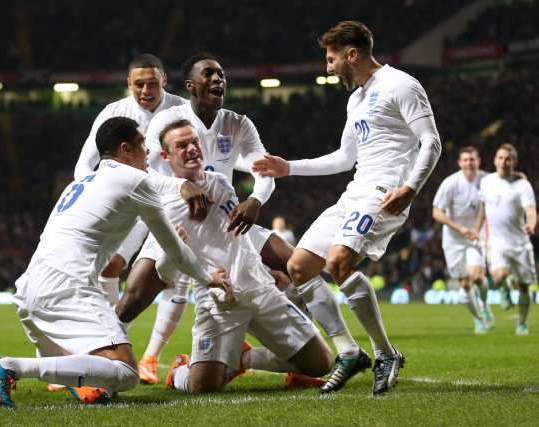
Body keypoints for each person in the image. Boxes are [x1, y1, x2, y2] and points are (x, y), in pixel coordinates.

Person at [118, 52, 364, 391]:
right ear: (190, 85)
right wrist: (181, 185)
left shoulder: (236, 129)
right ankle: (107, 357)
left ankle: (305, 348)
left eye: (221, 73)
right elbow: (142, 173)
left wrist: (255, 200)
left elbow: (262, 169)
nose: (218, 79)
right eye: (209, 74)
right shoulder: (167, 121)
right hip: (171, 215)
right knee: (135, 294)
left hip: (228, 219)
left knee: (296, 263)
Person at [0, 117, 228, 408]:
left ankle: (85, 385)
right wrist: (209, 278)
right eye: (143, 144)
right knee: (126, 373)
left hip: (29, 290)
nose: (147, 151)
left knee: (91, 373)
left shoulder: (81, 182)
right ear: (126, 148)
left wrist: (179, 186)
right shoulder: (136, 181)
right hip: (68, 287)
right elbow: (175, 250)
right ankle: (8, 367)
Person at [252, 20, 442, 396]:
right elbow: (344, 157)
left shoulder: (401, 85)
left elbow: (431, 142)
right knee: (299, 266)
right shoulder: (355, 99)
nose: (328, 67)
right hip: (354, 192)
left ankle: (386, 353)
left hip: (385, 191)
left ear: (351, 55)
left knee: (339, 261)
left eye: (331, 59)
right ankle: (348, 351)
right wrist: (290, 167)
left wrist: (409, 188)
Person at [156, 119, 333, 393]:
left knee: (322, 362)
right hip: (220, 300)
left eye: (194, 142)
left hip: (260, 289)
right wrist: (191, 266)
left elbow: (237, 238)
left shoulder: (221, 182)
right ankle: (179, 372)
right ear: (165, 157)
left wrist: (263, 269)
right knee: (202, 387)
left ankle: (245, 358)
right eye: (181, 145)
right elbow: (163, 271)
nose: (191, 149)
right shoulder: (168, 206)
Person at [73, 54, 189, 313]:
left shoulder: (184, 110)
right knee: (110, 264)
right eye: (139, 84)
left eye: (152, 83)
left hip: (175, 202)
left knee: (183, 269)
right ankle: (113, 334)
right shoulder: (114, 113)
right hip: (131, 203)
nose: (145, 91)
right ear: (128, 83)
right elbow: (83, 166)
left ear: (165, 80)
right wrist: (98, 196)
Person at [474, 143, 536, 335]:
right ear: (494, 160)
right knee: (498, 275)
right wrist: (477, 229)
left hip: (520, 243)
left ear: (514, 162)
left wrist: (531, 224)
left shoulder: (522, 185)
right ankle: (505, 289)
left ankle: (522, 322)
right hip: (497, 241)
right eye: (500, 158)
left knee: (524, 286)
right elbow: (483, 209)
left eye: (507, 159)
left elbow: (531, 211)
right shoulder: (486, 182)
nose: (503, 162)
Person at [432, 146, 494, 334]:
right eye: (465, 160)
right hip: (454, 239)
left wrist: (475, 229)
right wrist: (459, 228)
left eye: (472, 159)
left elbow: (503, 187)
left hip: (476, 235)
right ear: (460, 163)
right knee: (465, 283)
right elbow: (437, 212)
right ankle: (478, 320)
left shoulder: (487, 180)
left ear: (478, 161)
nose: (469, 163)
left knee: (477, 276)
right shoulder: (450, 183)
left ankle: (484, 306)